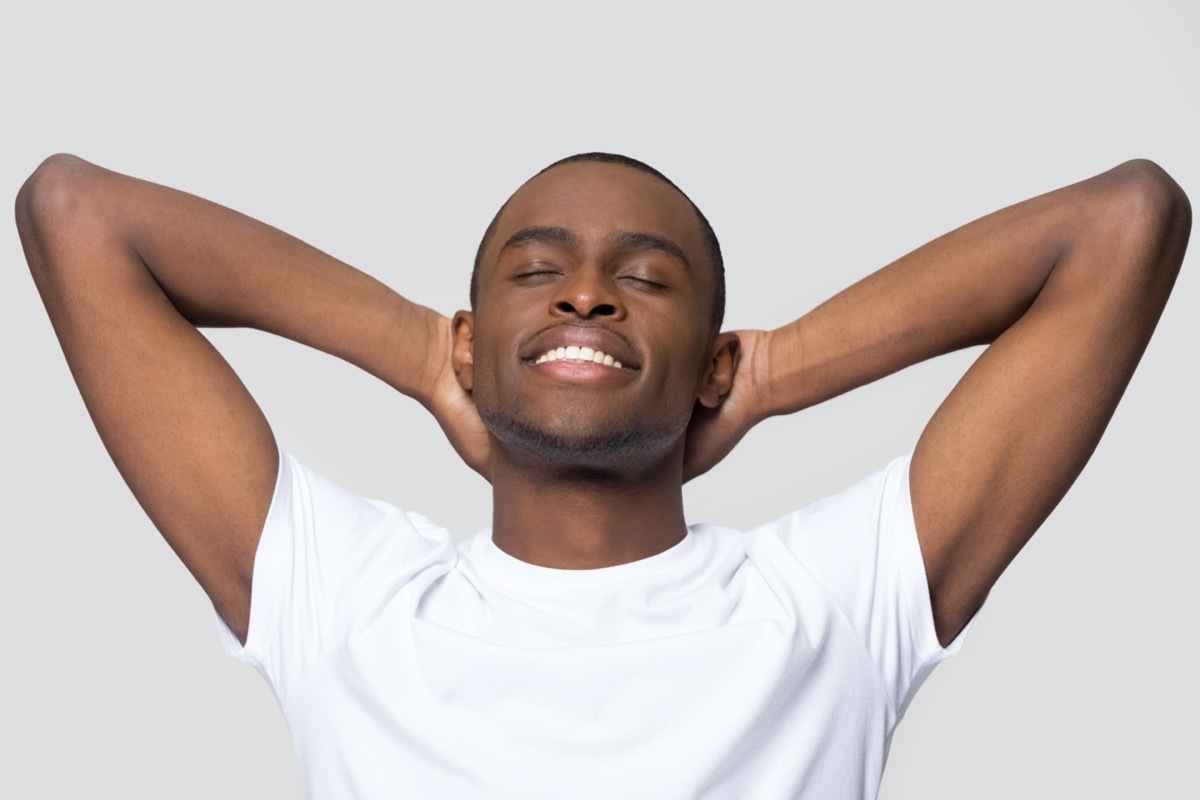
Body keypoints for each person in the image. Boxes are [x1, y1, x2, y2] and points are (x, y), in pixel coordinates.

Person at [16, 151, 1189, 799]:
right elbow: (77, 215)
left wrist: (771, 371)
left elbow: (1125, 223)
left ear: (709, 355)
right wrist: (425, 351)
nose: (586, 292)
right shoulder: (346, 594)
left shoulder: (832, 596)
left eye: (647, 276)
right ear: (479, 337)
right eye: (538, 271)